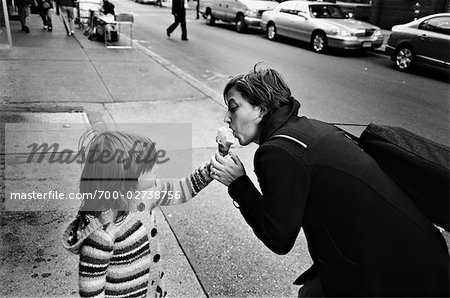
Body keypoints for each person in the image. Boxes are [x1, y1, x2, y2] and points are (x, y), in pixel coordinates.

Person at [210, 65, 449, 297]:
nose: (226, 118)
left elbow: (278, 238)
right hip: (415, 252)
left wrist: (238, 184)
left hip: (396, 273)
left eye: (233, 108)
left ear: (261, 110)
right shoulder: (305, 130)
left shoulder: (276, 153)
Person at [63, 129, 212, 297]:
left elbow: (181, 189)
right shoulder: (103, 232)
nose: (156, 168)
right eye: (149, 166)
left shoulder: (146, 194)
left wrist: (209, 171)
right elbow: (91, 289)